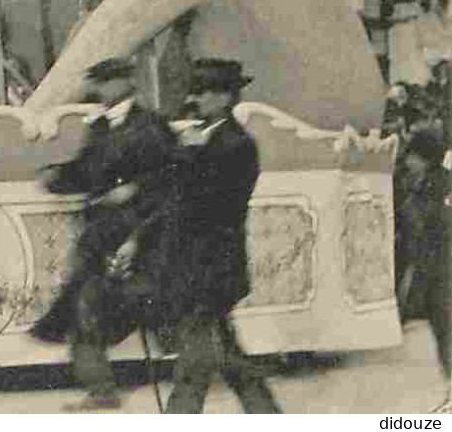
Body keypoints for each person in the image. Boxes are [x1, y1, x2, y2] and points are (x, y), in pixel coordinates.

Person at [30, 56, 178, 410]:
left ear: (127, 83)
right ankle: (101, 390)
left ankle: (198, 366)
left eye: (108, 81)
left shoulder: (152, 127)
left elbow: (174, 178)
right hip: (100, 235)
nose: (101, 89)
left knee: (152, 309)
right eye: (98, 82)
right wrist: (57, 177)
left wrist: (135, 189)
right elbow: (87, 171)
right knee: (84, 307)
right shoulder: (99, 128)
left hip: (140, 236)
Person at [155, 57, 281, 413]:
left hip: (214, 264)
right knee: (225, 354)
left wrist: (190, 157)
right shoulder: (204, 140)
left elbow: (215, 206)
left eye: (206, 92)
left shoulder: (237, 144)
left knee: (196, 360)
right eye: (196, 91)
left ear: (226, 97)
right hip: (200, 264)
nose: (198, 99)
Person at [396, 127, 450, 409]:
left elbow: (434, 224)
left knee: (446, 331)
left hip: (442, 271)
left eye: (411, 156)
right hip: (433, 270)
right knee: (442, 331)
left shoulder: (437, 185)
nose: (406, 161)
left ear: (424, 157)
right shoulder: (422, 183)